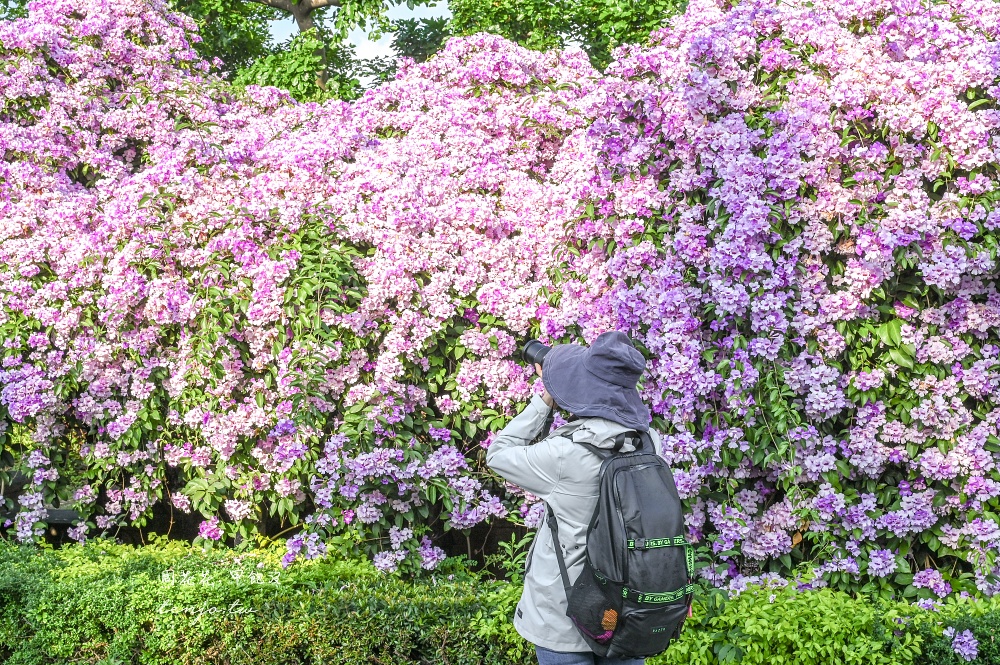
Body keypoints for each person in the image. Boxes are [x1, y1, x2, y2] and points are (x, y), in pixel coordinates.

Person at [486, 330, 662, 665]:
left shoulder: (564, 452)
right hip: (628, 611)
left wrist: (545, 399)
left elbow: (498, 454)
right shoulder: (650, 443)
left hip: (563, 617)